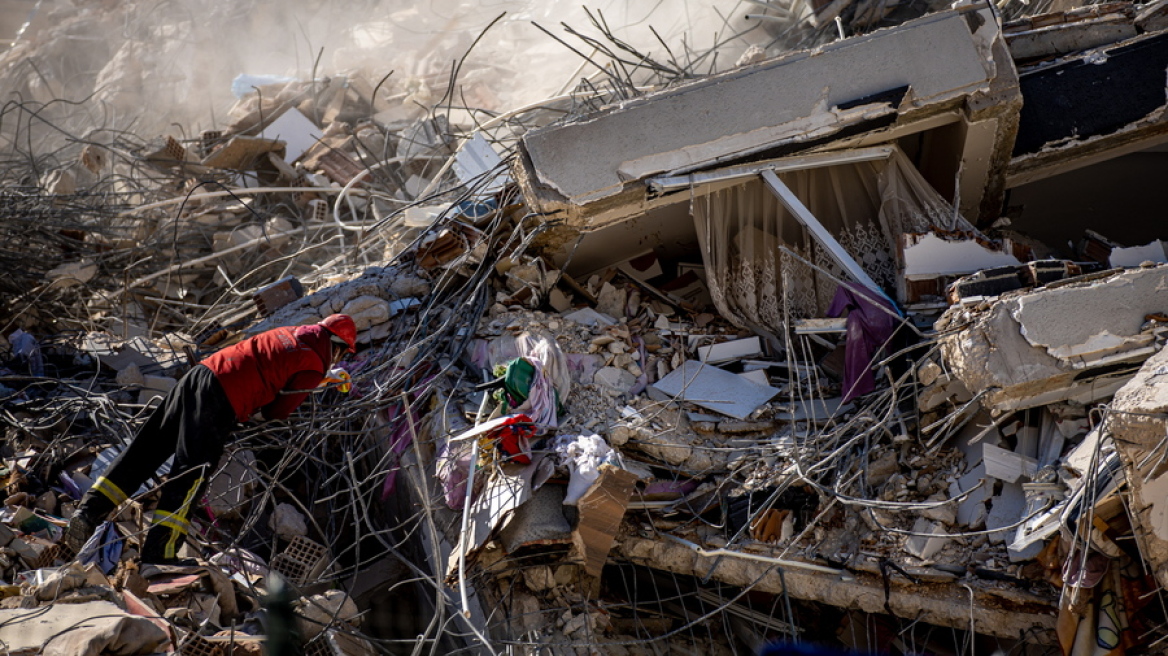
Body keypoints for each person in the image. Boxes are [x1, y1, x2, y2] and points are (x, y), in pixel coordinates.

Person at [62, 314, 358, 564]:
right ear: (339, 349)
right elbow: (278, 412)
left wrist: (316, 379)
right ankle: (158, 554)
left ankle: (88, 513)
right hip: (220, 399)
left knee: (145, 452)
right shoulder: (315, 362)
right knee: (191, 475)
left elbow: (277, 367)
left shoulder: (289, 334)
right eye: (344, 353)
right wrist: (312, 385)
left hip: (199, 376)